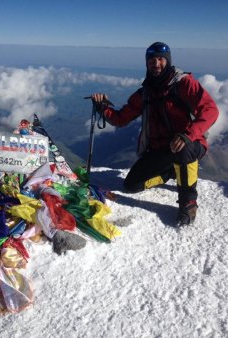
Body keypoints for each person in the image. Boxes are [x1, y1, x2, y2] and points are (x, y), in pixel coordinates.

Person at [91, 42, 219, 227]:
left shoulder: (183, 83)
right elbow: (121, 119)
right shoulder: (145, 93)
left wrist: (188, 135)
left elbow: (210, 110)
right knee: (131, 185)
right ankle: (169, 173)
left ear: (168, 61)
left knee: (181, 149)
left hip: (190, 143)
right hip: (162, 150)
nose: (156, 63)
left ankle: (188, 203)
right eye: (152, 60)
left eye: (160, 59)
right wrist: (102, 107)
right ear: (147, 63)